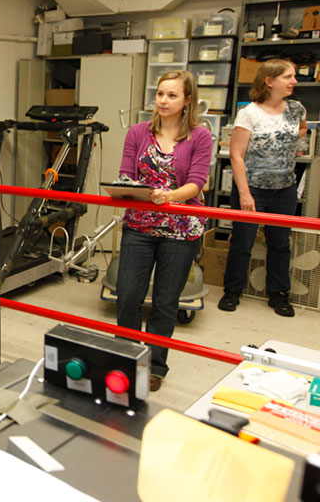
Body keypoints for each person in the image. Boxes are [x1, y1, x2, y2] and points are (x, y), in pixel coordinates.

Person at [114, 70, 212, 391]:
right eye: (160, 94)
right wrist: (129, 191)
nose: (164, 101)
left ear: (187, 100)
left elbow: (196, 183)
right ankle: (127, 358)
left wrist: (168, 197)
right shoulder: (138, 132)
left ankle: (154, 366)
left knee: (165, 302)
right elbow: (126, 175)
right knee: (128, 295)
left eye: (172, 95)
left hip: (182, 229)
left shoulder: (200, 136)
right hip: (139, 225)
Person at [218, 59, 307, 317]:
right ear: (269, 81)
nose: (294, 81)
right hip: (253, 187)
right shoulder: (249, 113)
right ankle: (233, 290)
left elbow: (302, 129)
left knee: (280, 243)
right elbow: (236, 155)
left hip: (284, 188)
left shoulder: (296, 109)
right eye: (288, 77)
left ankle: (278, 294)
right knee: (242, 241)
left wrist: (283, 142)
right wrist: (245, 194)